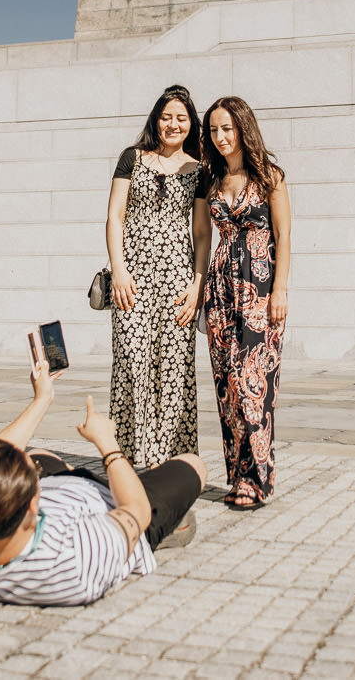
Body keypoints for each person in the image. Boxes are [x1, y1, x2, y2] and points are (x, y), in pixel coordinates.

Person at [0, 353, 206, 607]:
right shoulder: (76, 559)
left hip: (68, 490)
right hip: (116, 505)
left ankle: (76, 473)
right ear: (32, 507)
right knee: (193, 465)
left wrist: (42, 398)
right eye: (33, 476)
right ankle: (166, 530)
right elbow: (136, 512)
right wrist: (107, 444)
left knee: (37, 453)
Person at [104, 85, 211, 466]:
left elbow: (201, 232)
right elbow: (115, 215)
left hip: (178, 276)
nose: (173, 124)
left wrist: (197, 284)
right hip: (132, 275)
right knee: (132, 359)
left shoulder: (199, 169)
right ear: (156, 119)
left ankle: (170, 460)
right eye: (167, 116)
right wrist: (118, 269)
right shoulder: (131, 158)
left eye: (181, 118)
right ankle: (128, 456)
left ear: (191, 124)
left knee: (175, 364)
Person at [201, 96, 291, 510]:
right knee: (227, 388)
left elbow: (284, 236)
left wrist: (280, 290)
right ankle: (238, 476)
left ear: (243, 128)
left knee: (253, 385)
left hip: (258, 289)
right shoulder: (212, 181)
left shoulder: (270, 176)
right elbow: (204, 240)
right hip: (220, 292)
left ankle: (258, 480)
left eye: (227, 128)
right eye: (214, 130)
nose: (221, 137)